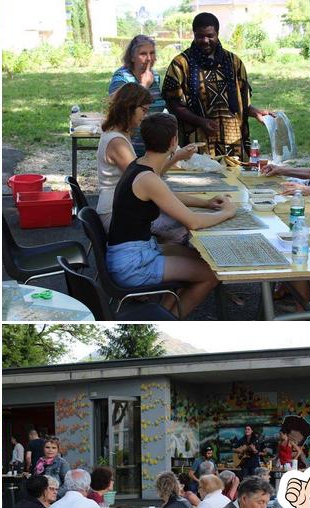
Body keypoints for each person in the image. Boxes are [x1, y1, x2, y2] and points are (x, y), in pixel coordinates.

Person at [107, 113, 236, 317]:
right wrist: (228, 213)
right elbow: (193, 222)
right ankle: (169, 319)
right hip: (133, 263)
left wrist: (206, 203)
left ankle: (163, 311)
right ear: (174, 141)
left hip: (130, 252)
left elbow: (167, 195)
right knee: (212, 274)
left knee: (200, 258)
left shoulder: (139, 165)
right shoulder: (148, 178)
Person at [95, 83, 206, 232]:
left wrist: (177, 156)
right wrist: (175, 156)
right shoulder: (117, 142)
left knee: (183, 219)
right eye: (143, 110)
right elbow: (145, 178)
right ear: (129, 107)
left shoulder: (119, 135)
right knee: (184, 226)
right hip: (114, 215)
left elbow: (149, 175)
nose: (145, 115)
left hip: (121, 209)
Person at [162, 12, 274, 159]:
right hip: (197, 145)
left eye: (210, 35)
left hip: (233, 144)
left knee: (235, 179)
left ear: (217, 34)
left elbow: (241, 101)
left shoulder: (234, 62)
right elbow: (173, 104)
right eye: (200, 36)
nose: (205, 40)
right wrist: (201, 122)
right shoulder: (181, 64)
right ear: (194, 34)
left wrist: (255, 112)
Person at [108, 35, 165, 154]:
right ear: (132, 57)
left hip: (152, 148)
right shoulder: (121, 78)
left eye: (152, 53)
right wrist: (144, 86)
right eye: (143, 54)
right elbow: (120, 112)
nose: (149, 58)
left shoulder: (155, 77)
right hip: (128, 149)